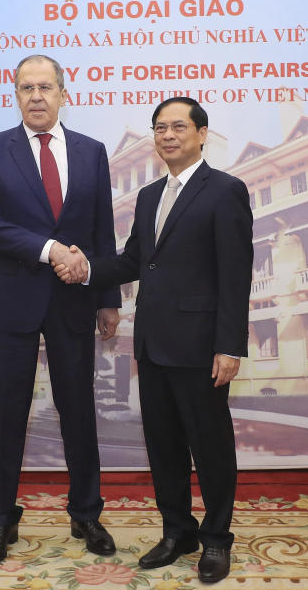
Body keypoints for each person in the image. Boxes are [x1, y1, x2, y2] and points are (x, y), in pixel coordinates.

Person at [56, 97, 253, 584]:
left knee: (210, 449)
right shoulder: (148, 196)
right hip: (153, 344)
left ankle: (215, 540)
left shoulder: (226, 191)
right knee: (163, 447)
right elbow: (131, 263)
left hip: (203, 347)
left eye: (178, 126)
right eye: (159, 127)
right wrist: (84, 269)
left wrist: (230, 346)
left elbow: (235, 275)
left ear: (202, 134)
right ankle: (177, 532)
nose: (167, 135)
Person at [0, 54, 121, 566]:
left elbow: (102, 228)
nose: (36, 96)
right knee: (7, 413)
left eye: (45, 87)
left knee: (78, 410)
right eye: (25, 88)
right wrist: (50, 249)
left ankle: (86, 513)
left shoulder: (92, 152)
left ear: (63, 92)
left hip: (74, 302)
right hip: (12, 300)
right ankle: (0, 521)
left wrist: (107, 297)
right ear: (15, 94)